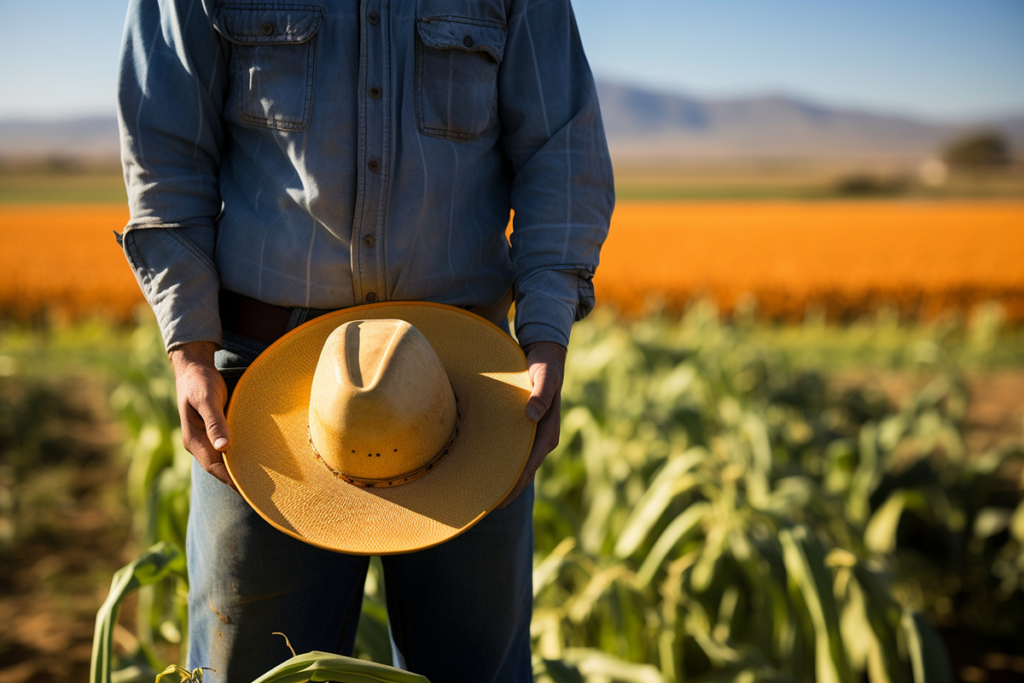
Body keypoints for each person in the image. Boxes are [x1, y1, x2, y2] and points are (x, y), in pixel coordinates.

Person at [116, 0, 614, 681]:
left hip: (468, 385)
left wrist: (547, 334)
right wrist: (190, 351)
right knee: (255, 672)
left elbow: (561, 147)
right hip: (260, 389)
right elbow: (165, 148)